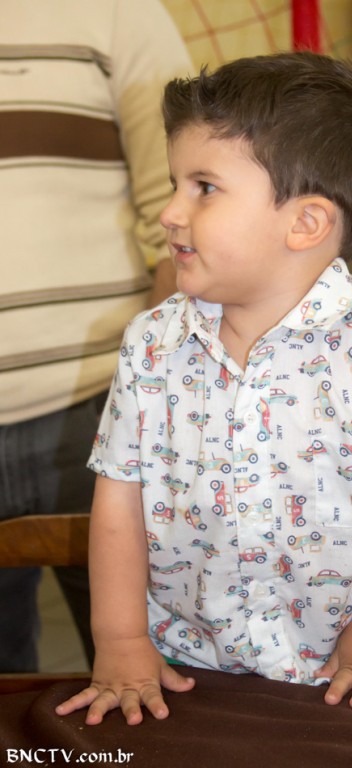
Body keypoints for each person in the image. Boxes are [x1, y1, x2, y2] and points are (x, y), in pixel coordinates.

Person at [56, 51, 352, 725]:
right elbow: (119, 500)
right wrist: (122, 641)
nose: (169, 212)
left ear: (304, 223)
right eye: (175, 184)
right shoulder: (151, 346)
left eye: (203, 188)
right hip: (190, 665)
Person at [0, 0, 192, 671]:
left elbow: (180, 211)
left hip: (102, 408)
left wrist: (151, 389)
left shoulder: (116, 11)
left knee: (151, 669)